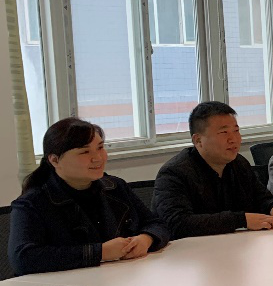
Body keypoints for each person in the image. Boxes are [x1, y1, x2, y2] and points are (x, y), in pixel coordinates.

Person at [8, 118, 170, 275]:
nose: (98, 158)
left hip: (120, 278)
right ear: (55, 160)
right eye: (85, 152)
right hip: (67, 285)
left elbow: (156, 223)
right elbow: (23, 258)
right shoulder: (32, 203)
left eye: (100, 148)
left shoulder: (115, 187)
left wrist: (146, 238)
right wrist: (100, 252)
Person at [153, 101, 273, 238]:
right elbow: (178, 224)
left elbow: (261, 197)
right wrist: (241, 220)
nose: (233, 139)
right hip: (191, 252)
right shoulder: (174, 173)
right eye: (224, 133)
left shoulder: (239, 163)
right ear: (198, 140)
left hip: (237, 245)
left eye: (236, 131)